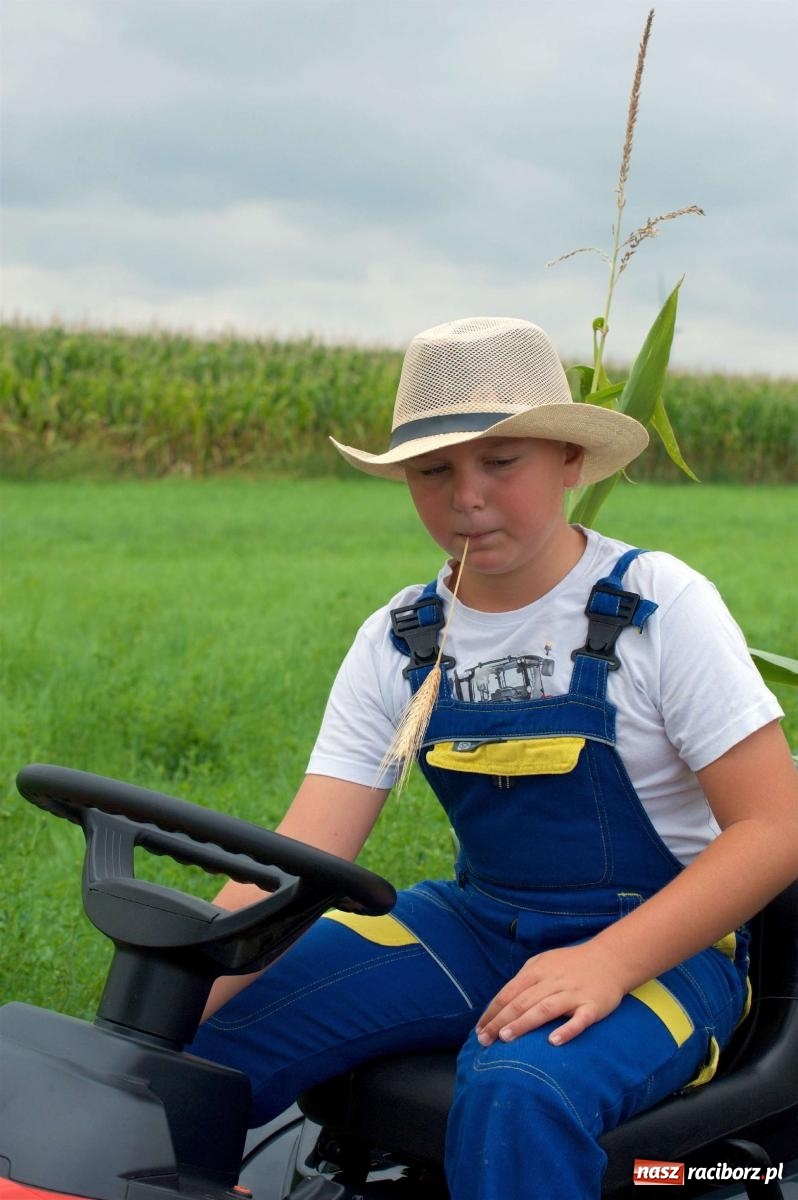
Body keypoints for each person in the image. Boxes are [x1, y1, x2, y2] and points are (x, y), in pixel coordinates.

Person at [191, 316, 798, 1200]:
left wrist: (609, 961)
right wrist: (180, 986)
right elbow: (303, 855)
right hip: (479, 927)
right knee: (209, 1039)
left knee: (520, 1090)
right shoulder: (401, 640)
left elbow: (776, 828)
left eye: (501, 462)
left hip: (667, 951)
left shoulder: (658, 608)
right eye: (434, 470)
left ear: (568, 459)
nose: (465, 496)